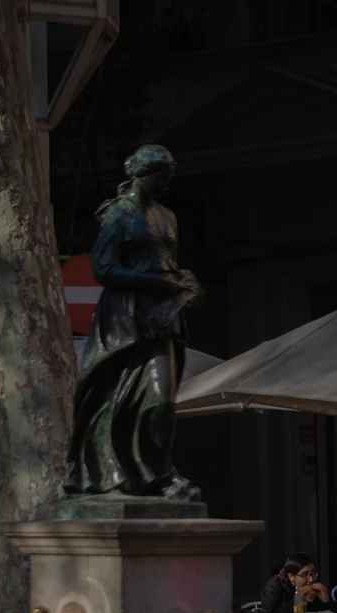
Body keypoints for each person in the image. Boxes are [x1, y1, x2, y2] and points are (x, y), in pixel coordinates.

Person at [64, 144, 203, 501]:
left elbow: (165, 261)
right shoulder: (118, 215)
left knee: (162, 400)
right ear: (145, 175)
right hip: (125, 319)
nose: (167, 184)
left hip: (163, 318)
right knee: (115, 399)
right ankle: (119, 474)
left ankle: (157, 474)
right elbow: (104, 268)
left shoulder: (168, 216)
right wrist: (155, 281)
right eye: (163, 176)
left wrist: (182, 281)